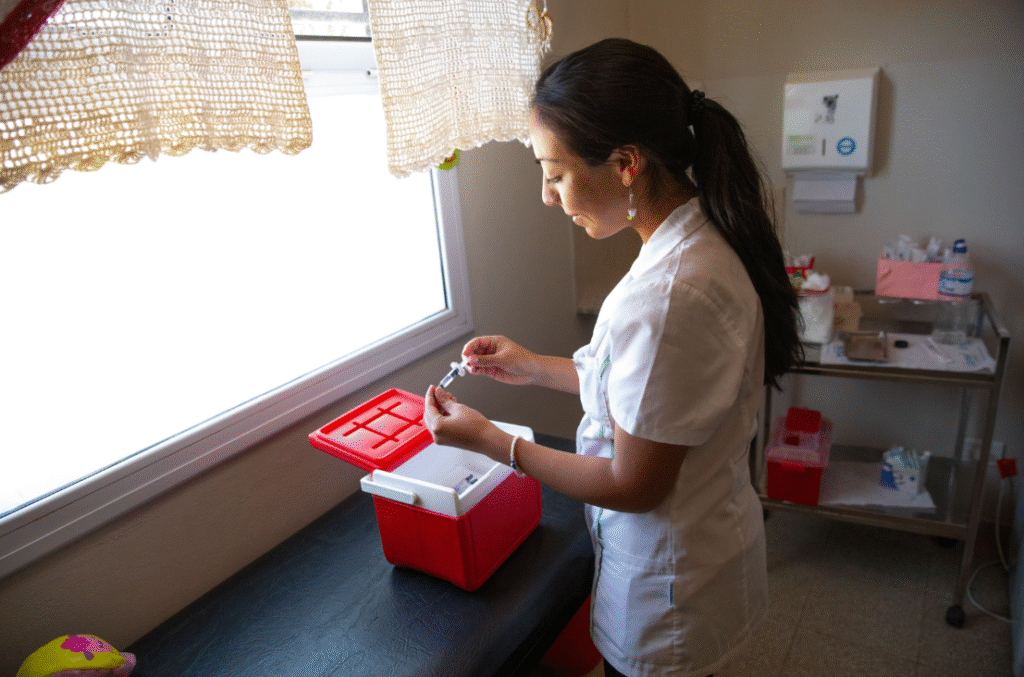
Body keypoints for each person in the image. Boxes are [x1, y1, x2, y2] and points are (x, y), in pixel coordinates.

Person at [423, 38, 802, 677]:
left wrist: (493, 442)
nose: (548, 196)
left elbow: (634, 484)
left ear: (625, 163)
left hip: (672, 589)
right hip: (706, 543)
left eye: (555, 173)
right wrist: (530, 365)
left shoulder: (667, 297)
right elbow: (641, 391)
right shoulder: (697, 237)